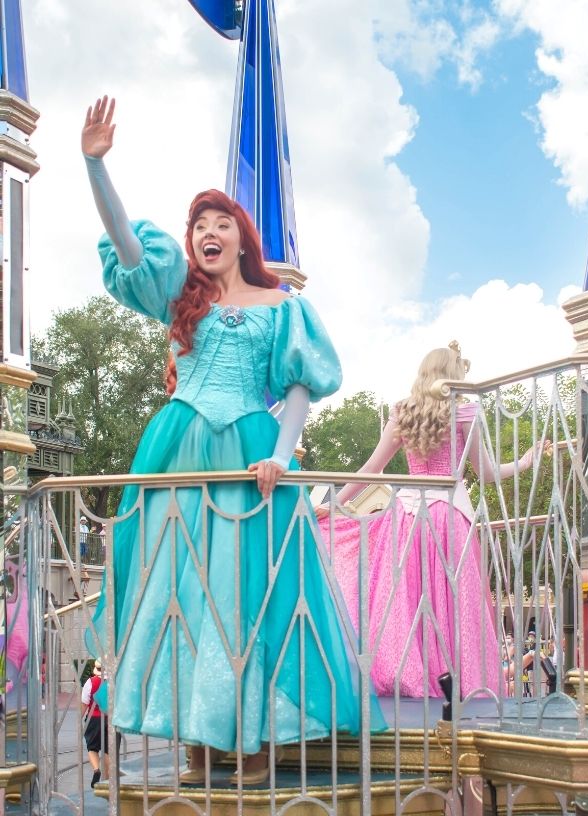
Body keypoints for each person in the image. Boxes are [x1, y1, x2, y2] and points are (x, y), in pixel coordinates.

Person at [82, 96, 384, 786]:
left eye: (221, 223)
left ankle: (253, 742)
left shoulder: (284, 308)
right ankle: (196, 743)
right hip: (177, 448)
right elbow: (127, 238)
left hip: (251, 453)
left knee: (247, 593)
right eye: (199, 226)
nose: (207, 233)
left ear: (243, 238)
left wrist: (282, 452)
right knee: (178, 592)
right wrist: (95, 165)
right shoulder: (179, 295)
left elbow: (302, 386)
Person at [316, 342, 548, 699]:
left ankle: (408, 675)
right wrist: (526, 461)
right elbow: (485, 473)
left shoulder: (402, 413)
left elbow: (372, 470)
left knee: (404, 603)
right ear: (454, 376)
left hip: (406, 518)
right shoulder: (466, 411)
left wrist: (336, 505)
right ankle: (455, 682)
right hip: (447, 518)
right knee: (453, 605)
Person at [81, 660, 108, 787]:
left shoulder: (91, 682)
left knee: (92, 748)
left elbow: (85, 702)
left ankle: (97, 770)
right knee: (108, 750)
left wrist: (80, 718)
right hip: (110, 719)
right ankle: (109, 779)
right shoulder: (115, 681)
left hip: (94, 719)